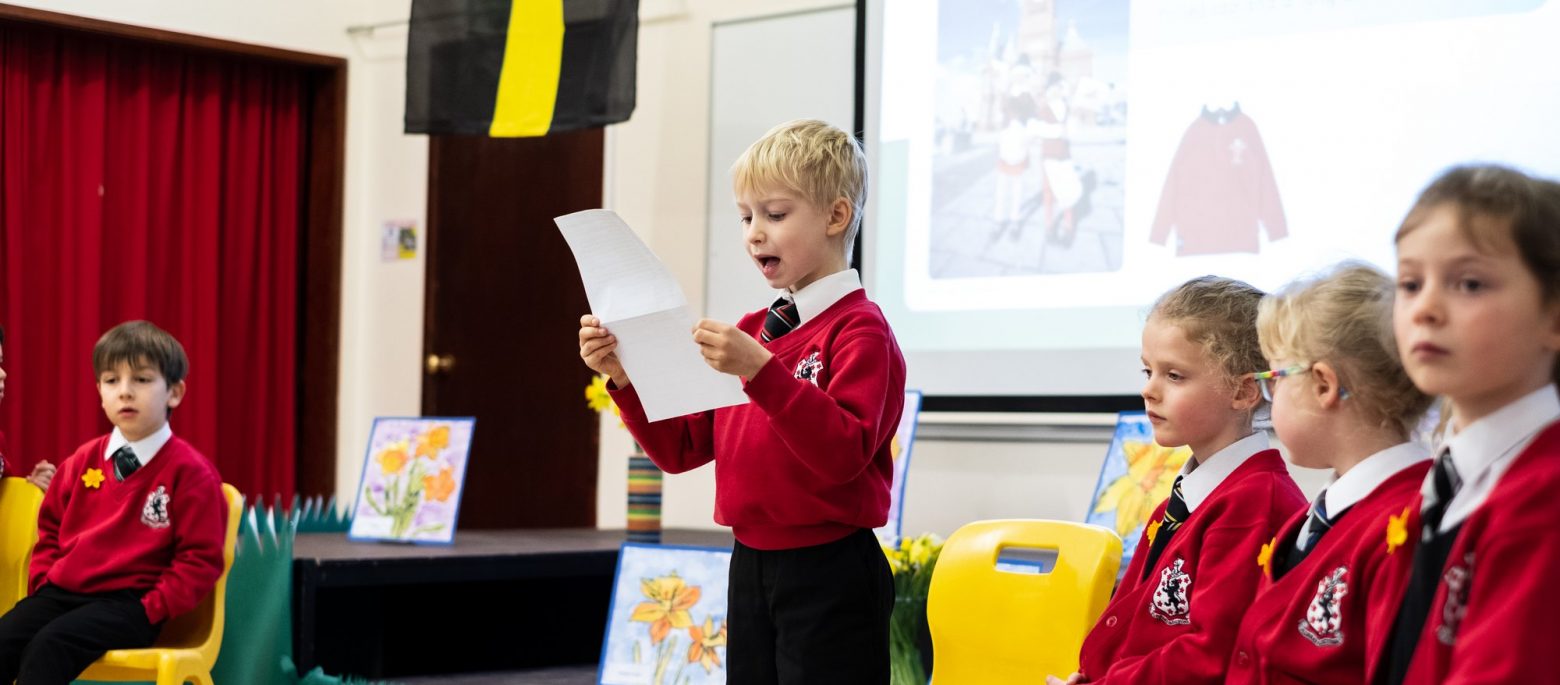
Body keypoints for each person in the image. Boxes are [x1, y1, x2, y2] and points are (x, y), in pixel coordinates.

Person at [579, 119, 905, 684]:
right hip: (750, 564)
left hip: (830, 568)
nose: (754, 233)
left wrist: (762, 371)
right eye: (745, 216)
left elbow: (842, 452)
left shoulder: (860, 332)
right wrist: (625, 378)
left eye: (775, 215)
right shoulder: (755, 329)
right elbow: (682, 449)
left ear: (835, 216)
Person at [1052, 276, 1305, 684]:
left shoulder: (1253, 505)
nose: (1148, 390)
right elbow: (1134, 621)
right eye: (1147, 370)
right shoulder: (1192, 496)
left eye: (1174, 376)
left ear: (1243, 392)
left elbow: (1209, 655)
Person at [1373, 165, 1560, 684]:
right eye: (1410, 283)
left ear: (1554, 317)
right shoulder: (1448, 480)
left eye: (1470, 283)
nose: (1425, 308)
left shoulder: (1544, 499)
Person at [1226, 262, 1433, 684]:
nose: (1269, 397)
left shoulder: (1408, 524)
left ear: (1323, 384)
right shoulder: (1317, 517)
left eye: (1274, 378)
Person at [0, 320, 227, 685]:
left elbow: (199, 561)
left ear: (175, 392)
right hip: (61, 595)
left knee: (49, 647)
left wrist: (151, 608)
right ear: (99, 392)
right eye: (111, 380)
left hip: (128, 605)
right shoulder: (81, 461)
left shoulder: (192, 474)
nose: (125, 392)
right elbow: (50, 530)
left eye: (141, 379)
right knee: (6, 639)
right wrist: (44, 585)